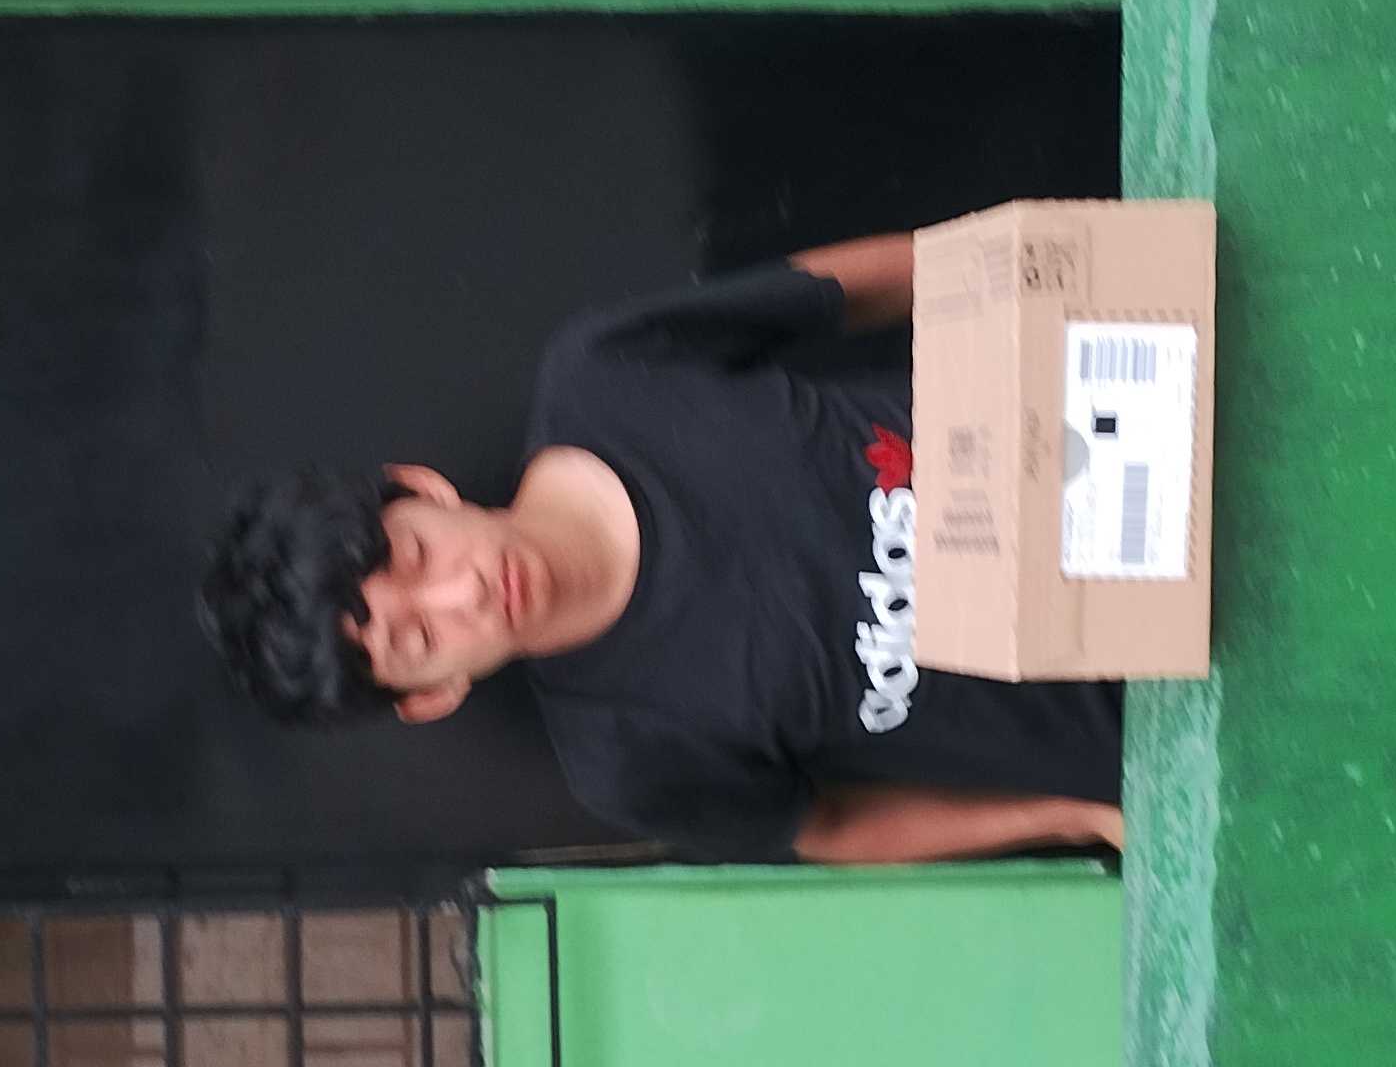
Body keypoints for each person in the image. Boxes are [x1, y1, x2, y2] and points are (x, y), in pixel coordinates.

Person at [196, 233, 1125, 866]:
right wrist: (1077, 814)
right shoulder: (626, 760)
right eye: (420, 640)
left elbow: (834, 293)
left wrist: (1043, 264)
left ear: (422, 489)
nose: (463, 595)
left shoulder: (606, 376)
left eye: (413, 556)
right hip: (1136, 714)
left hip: (1115, 449)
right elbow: (834, 828)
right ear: (433, 694)